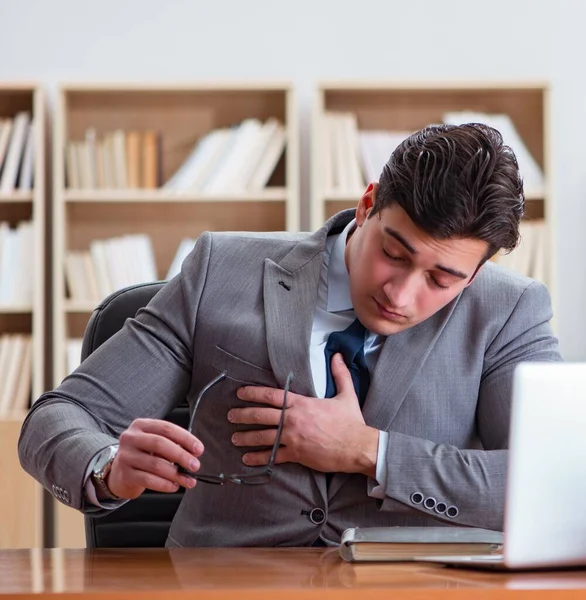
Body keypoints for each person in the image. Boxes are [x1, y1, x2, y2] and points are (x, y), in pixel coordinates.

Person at [18, 123, 561, 548]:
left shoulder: (508, 310)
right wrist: (109, 467)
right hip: (225, 585)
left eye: (442, 279)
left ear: (478, 271)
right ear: (368, 204)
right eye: (394, 254)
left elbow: (555, 481)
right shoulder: (218, 269)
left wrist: (370, 452)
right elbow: (57, 416)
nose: (401, 293)